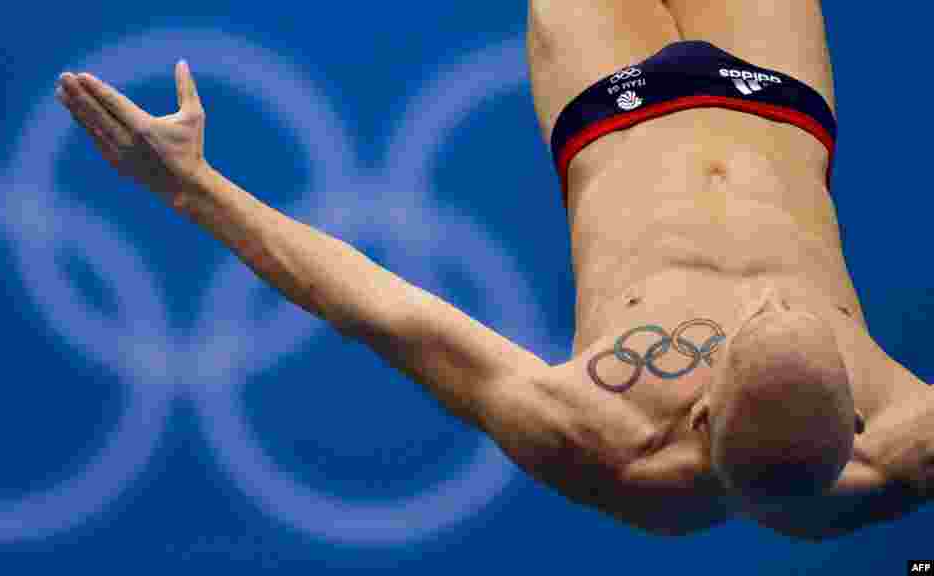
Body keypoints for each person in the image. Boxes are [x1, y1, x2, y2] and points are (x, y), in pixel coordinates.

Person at [53, 0, 931, 540]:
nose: (764, 300)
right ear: (858, 409)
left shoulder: (597, 433)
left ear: (701, 405)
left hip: (611, 103)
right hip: (777, 94)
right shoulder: (908, 440)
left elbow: (377, 308)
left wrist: (190, 186)